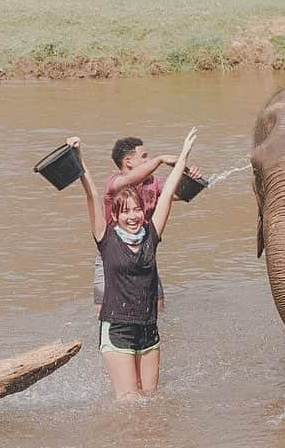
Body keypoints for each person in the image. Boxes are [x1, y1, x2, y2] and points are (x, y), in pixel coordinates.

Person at [68, 128, 198, 398]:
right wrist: (79, 158)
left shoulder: (151, 235)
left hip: (148, 330)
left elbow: (169, 194)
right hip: (118, 329)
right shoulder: (106, 238)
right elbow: (92, 195)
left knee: (150, 401)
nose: (133, 216)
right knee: (129, 403)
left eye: (137, 210)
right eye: (125, 211)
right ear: (115, 214)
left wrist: (184, 155)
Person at [93, 136, 202, 313]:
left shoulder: (154, 183)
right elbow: (130, 181)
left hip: (144, 256)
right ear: (128, 162)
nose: (148, 160)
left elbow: (181, 193)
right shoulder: (115, 183)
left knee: (158, 311)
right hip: (111, 259)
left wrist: (190, 175)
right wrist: (159, 160)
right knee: (103, 313)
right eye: (144, 156)